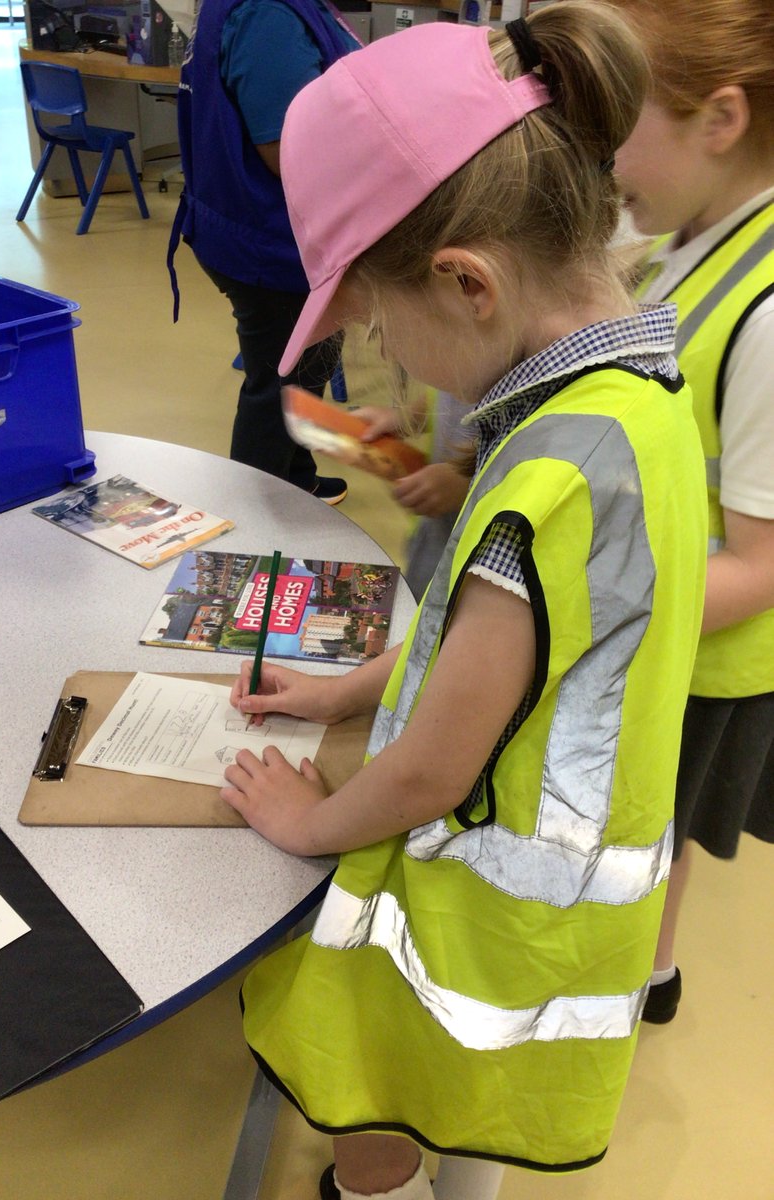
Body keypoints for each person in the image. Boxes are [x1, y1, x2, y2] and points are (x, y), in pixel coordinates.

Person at [221, 8, 708, 1198]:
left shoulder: (542, 473)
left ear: (466, 282)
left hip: (473, 906)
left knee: (389, 1081)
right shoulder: (635, 398)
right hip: (545, 918)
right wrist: (343, 687)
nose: (384, 349)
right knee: (471, 1097)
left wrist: (305, 823)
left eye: (380, 324)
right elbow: (510, 649)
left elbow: (437, 769)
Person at [607, 0, 774, 1024]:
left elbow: (762, 564)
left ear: (719, 119)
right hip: (661, 621)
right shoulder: (693, 236)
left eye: (619, 121)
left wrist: (583, 597)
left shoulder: (768, 308)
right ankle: (649, 975)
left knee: (648, 833)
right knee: (648, 829)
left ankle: (632, 985)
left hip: (701, 655)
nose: (600, 155)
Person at [168, 0, 360, 504]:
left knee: (301, 372)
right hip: (270, 240)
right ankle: (253, 513)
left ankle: (296, 477)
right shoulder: (266, 14)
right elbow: (288, 149)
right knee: (278, 389)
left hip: (256, 227)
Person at [354, 390, 475, 602]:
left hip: (480, 562)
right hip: (435, 538)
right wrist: (406, 417)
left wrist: (468, 481)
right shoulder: (465, 365)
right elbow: (447, 395)